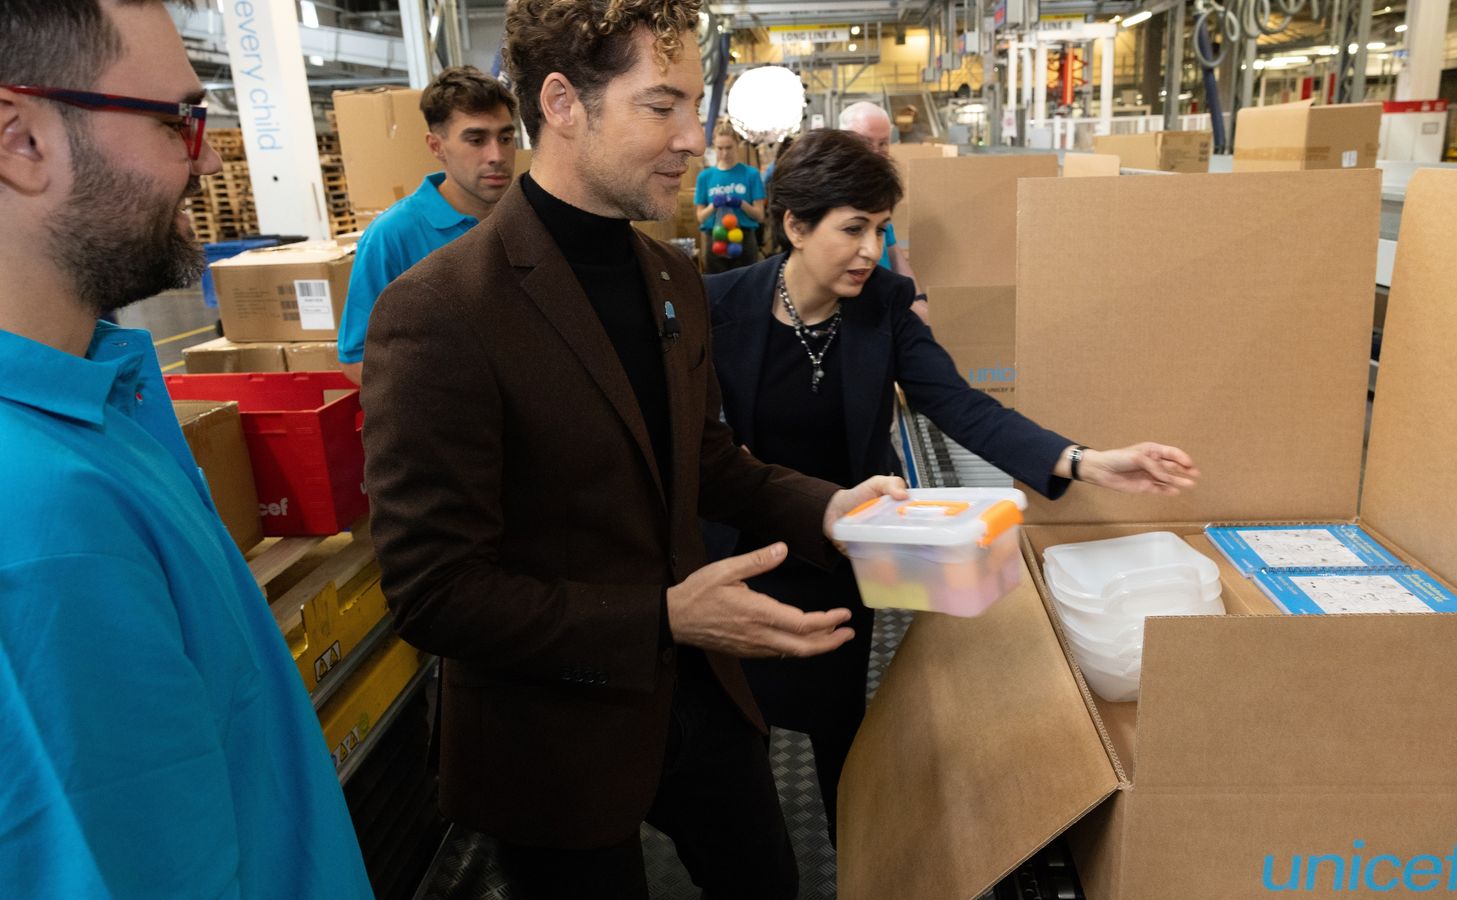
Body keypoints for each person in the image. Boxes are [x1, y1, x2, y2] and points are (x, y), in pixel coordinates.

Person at [358, 2, 907, 897]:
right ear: (562, 103)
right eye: (662, 106)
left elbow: (706, 460)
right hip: (553, 735)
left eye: (695, 105)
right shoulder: (442, 311)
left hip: (701, 699)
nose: (692, 136)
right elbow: (435, 590)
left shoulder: (669, 277)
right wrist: (663, 618)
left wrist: (830, 508)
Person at [704, 129, 1200, 841]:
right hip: (743, 554)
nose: (872, 250)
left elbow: (960, 405)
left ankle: (856, 858)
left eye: (881, 229)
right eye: (853, 228)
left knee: (840, 726)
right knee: (737, 733)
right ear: (795, 225)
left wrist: (1083, 460)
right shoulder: (716, 307)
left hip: (844, 552)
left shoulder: (884, 305)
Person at [0, 2, 371, 897]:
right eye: (177, 121)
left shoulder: (101, 399)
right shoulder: (40, 520)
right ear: (21, 141)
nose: (204, 160)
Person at [337, 66, 518, 385]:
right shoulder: (392, 235)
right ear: (436, 146)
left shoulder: (524, 220)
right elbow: (357, 360)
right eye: (476, 139)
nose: (497, 155)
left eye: (505, 138)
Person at [839, 100, 927, 321]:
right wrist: (904, 305)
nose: (876, 152)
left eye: (883, 143)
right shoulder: (835, 197)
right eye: (865, 142)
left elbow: (893, 250)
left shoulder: (877, 192)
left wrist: (918, 298)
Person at [695, 120, 764, 273]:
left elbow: (759, 216)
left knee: (747, 284)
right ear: (714, 146)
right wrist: (714, 205)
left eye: (729, 147)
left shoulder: (751, 174)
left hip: (744, 238)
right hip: (715, 238)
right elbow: (700, 217)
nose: (724, 153)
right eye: (720, 148)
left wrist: (741, 204)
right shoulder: (705, 177)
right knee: (716, 285)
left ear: (737, 145)